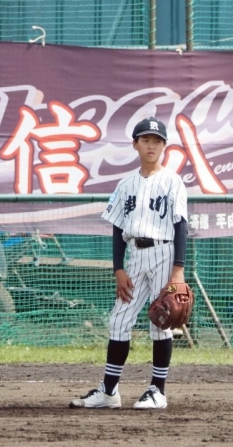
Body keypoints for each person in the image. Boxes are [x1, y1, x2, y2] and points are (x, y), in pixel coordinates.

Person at [70, 117, 188, 410]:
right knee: (119, 320)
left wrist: (178, 271)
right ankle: (109, 392)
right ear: (135, 144)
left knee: (161, 321)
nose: (151, 145)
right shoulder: (125, 185)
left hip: (164, 252)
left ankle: (157, 391)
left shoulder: (173, 182)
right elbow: (117, 228)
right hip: (135, 255)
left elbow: (181, 226)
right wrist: (118, 269)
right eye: (146, 140)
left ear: (164, 146)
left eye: (157, 141)